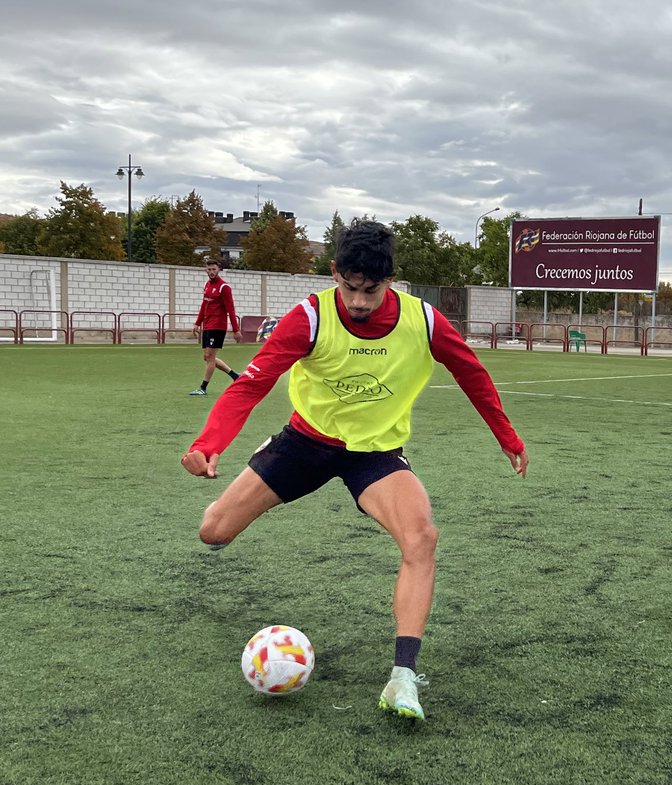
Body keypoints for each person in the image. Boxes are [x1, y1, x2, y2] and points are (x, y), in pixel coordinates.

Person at [180, 220, 529, 720]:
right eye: (350, 287)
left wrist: (506, 436)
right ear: (334, 273)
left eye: (372, 289)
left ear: (391, 279)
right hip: (305, 443)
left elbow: (470, 370)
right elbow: (250, 385)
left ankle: (402, 678)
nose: (360, 302)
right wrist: (208, 444)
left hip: (376, 455)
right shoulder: (310, 318)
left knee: (422, 537)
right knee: (212, 532)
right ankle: (263, 462)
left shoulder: (423, 320)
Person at [190, 257, 241, 396]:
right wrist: (197, 322)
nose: (211, 272)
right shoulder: (207, 285)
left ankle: (203, 387)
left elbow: (231, 309)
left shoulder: (224, 287)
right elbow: (204, 305)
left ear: (219, 269)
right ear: (205, 269)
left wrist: (236, 329)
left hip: (218, 326)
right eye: (209, 269)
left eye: (214, 269)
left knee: (210, 356)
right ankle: (235, 376)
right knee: (207, 358)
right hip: (207, 325)